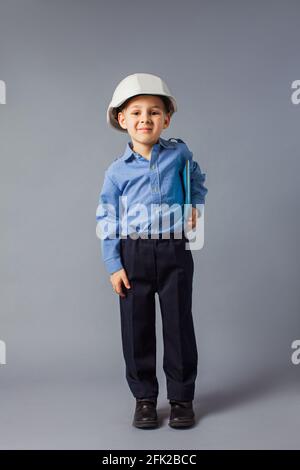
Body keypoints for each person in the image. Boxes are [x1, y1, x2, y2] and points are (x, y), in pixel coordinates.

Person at [96, 73, 208, 429]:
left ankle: (181, 399)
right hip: (134, 254)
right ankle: (144, 399)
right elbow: (108, 218)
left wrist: (193, 204)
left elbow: (197, 179)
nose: (146, 119)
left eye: (154, 112)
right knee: (137, 327)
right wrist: (114, 264)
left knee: (178, 325)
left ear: (167, 119)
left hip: (174, 251)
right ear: (122, 119)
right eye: (137, 112)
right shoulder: (116, 173)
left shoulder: (179, 153)